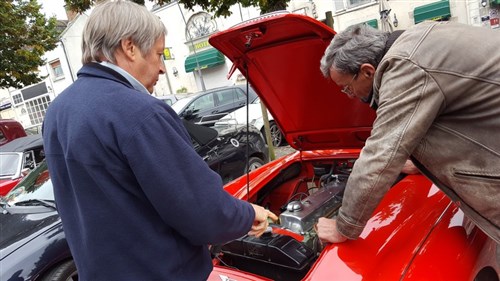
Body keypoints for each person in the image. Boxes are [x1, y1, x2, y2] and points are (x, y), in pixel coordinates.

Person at [42, 1, 277, 280]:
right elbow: (200, 211)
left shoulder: (57, 111)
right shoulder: (139, 112)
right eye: (158, 54)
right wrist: (248, 214)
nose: (163, 68)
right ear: (129, 47)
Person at [316, 21, 500, 245]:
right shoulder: (417, 39)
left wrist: (343, 226)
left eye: (347, 87)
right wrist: (421, 161)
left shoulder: (405, 68)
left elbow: (381, 153)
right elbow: (456, 114)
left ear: (367, 71)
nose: (349, 95)